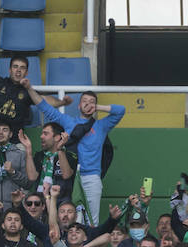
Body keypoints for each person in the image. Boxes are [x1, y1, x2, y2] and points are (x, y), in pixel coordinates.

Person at [28, 85, 125, 226]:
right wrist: (28, 88)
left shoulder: (101, 125)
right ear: (79, 106)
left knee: (92, 220)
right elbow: (44, 107)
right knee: (68, 219)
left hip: (91, 177)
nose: (88, 103)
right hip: (69, 177)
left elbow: (121, 110)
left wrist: (98, 107)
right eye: (84, 101)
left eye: (92, 101)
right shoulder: (68, 122)